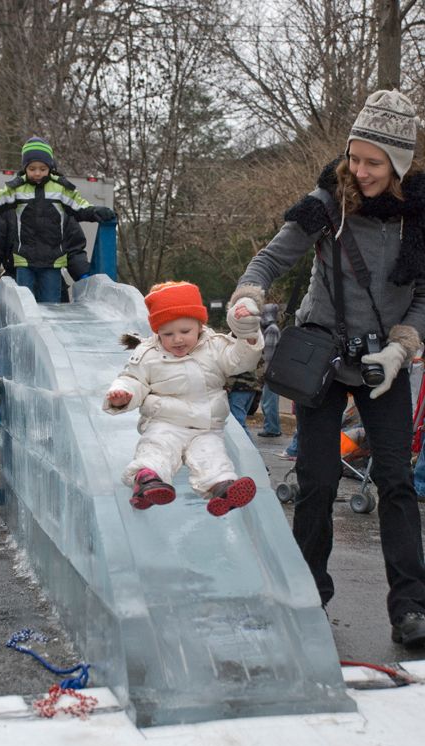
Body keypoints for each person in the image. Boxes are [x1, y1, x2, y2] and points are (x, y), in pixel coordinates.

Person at [228, 89, 425, 648]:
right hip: (320, 353)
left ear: (399, 165)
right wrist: (247, 296)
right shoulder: (326, 202)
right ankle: (309, 592)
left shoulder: (420, 217)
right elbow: (270, 259)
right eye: (354, 157)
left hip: (381, 365)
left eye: (373, 162)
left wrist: (401, 347)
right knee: (316, 479)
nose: (358, 171)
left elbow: (423, 295)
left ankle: (410, 606)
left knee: (395, 482)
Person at [103, 281, 264, 516]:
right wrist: (122, 394)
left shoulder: (214, 347)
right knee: (158, 448)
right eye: (168, 334)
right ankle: (148, 480)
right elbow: (132, 379)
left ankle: (222, 488)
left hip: (206, 427)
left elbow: (241, 360)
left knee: (212, 455)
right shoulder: (148, 354)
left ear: (199, 325)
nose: (177, 339)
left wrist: (247, 336)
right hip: (165, 421)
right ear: (157, 332)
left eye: (185, 332)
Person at [0, 136, 115, 303]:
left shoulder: (60, 190)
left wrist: (96, 212)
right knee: (25, 303)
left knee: (51, 304)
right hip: (24, 260)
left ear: (50, 167)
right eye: (32, 169)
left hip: (53, 261)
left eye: (42, 169)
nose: (37, 173)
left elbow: (79, 206)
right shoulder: (17, 189)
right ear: (25, 168)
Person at [257, 303, 282, 438]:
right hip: (272, 371)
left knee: (269, 401)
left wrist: (264, 373)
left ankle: (272, 428)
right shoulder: (271, 328)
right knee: (268, 400)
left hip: (270, 372)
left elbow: (268, 355)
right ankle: (272, 427)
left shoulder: (271, 329)